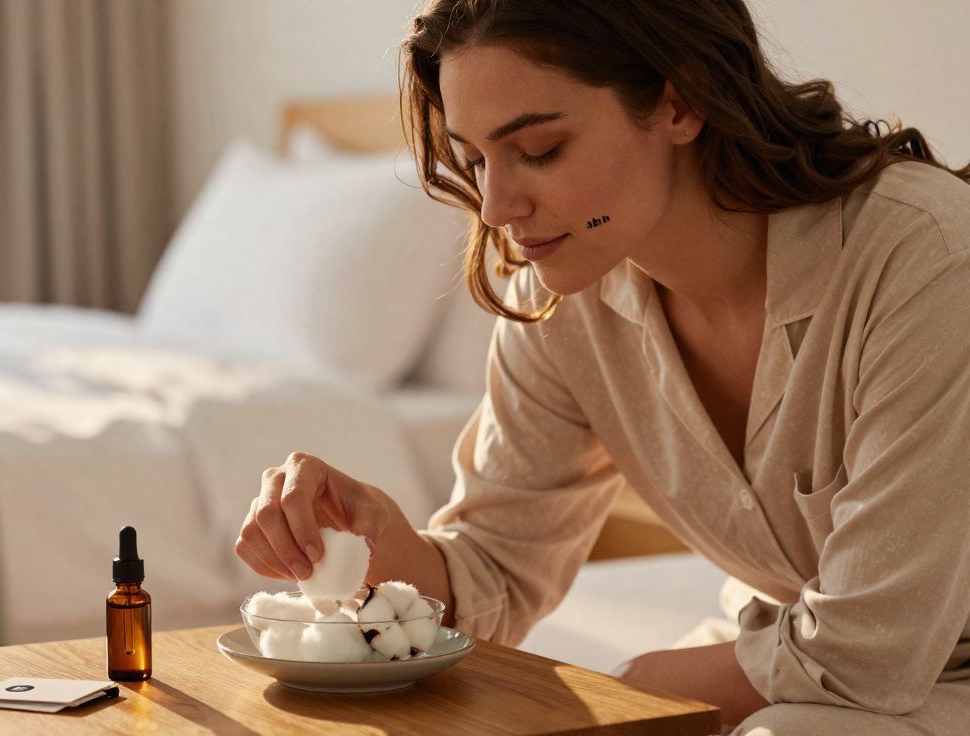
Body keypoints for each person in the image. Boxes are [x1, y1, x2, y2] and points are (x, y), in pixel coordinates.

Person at [234, 1, 970, 733]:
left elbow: (868, 654)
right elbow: (495, 572)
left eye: (542, 149)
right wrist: (373, 541)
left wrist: (629, 687)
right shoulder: (566, 303)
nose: (495, 206)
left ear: (681, 101)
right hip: (801, 661)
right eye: (476, 160)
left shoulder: (924, 257)